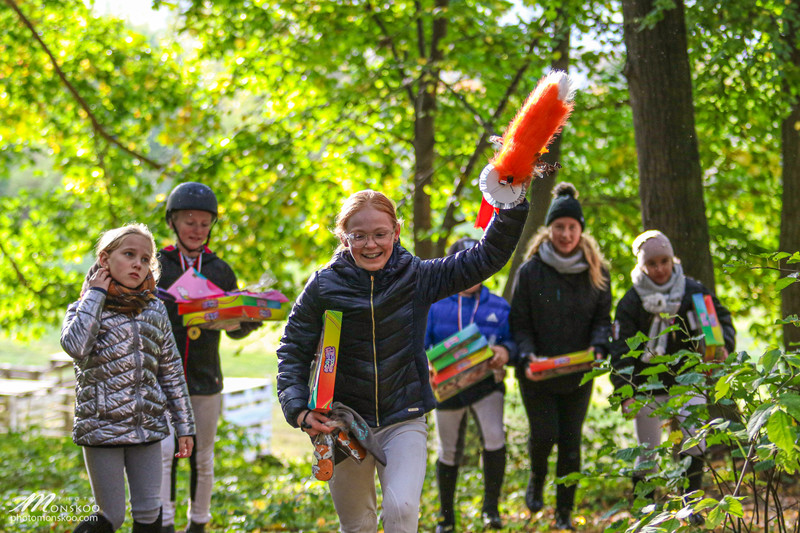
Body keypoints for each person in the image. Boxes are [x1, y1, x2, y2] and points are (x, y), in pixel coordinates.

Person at [277, 189, 528, 533]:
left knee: (402, 509)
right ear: (342, 236)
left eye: (380, 234)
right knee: (358, 525)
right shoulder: (323, 286)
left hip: (403, 418)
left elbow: (486, 257)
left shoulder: (418, 277)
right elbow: (292, 348)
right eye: (359, 236)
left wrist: (511, 203)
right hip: (343, 422)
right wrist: (298, 409)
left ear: (396, 232)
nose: (370, 245)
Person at [61, 223, 195, 533]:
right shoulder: (83, 307)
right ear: (105, 260)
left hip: (147, 428)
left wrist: (185, 426)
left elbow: (171, 371)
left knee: (150, 514)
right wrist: (95, 293)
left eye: (145, 258)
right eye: (129, 254)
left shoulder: (154, 310)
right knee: (112, 516)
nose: (138, 263)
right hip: (101, 428)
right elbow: (76, 347)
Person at [609, 229, 735, 525]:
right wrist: (625, 391)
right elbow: (620, 350)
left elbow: (720, 322)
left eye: (664, 260)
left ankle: (691, 505)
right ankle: (644, 512)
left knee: (695, 441)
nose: (660, 268)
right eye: (652, 263)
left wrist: (723, 346)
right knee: (648, 450)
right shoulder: (631, 302)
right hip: (646, 387)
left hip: (688, 380)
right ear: (642, 266)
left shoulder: (693, 292)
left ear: (672, 258)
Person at [158, 182, 261, 533]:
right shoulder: (157, 265)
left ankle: (198, 522)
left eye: (204, 223)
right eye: (189, 221)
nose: (197, 229)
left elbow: (236, 327)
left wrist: (247, 319)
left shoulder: (220, 269)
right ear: (172, 222)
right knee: (165, 455)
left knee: (202, 457)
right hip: (162, 380)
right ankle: (164, 522)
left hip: (206, 379)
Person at [509, 183, 612, 530]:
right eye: (559, 227)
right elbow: (518, 323)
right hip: (537, 372)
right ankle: (537, 479)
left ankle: (564, 513)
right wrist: (527, 357)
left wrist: (600, 347)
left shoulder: (597, 271)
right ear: (549, 230)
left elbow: (602, 320)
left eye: (572, 227)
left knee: (570, 443)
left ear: (581, 229)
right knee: (545, 435)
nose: (566, 233)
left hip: (578, 374)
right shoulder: (530, 271)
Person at [424, 237, 518, 532]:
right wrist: (427, 362)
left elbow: (512, 343)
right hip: (447, 389)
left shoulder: (499, 305)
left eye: (477, 266)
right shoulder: (435, 305)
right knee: (448, 449)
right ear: (452, 268)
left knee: (494, 438)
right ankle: (446, 517)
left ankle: (491, 509)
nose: (471, 273)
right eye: (464, 266)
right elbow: (421, 344)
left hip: (487, 386)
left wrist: (506, 352)